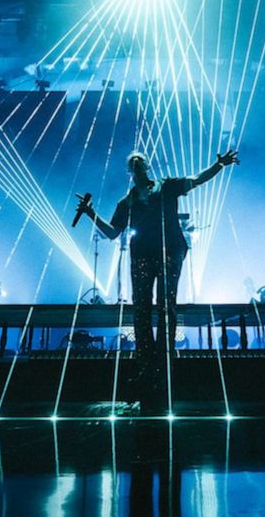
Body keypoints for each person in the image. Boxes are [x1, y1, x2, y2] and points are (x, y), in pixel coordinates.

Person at [75, 150, 238, 403]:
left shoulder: (167, 185)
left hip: (170, 250)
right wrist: (90, 213)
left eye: (140, 159)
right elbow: (111, 233)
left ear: (147, 165)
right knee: (140, 309)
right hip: (141, 255)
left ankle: (164, 369)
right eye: (132, 161)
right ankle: (146, 369)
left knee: (165, 307)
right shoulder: (125, 202)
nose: (137, 162)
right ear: (129, 171)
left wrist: (219, 165)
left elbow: (196, 180)